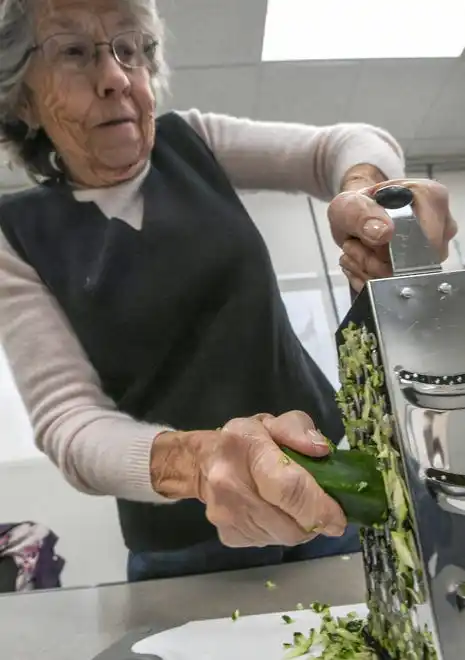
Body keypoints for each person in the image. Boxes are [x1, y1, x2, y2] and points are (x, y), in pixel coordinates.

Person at [0, 0, 457, 582]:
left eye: (131, 49)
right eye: (73, 51)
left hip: (332, 487)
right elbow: (70, 421)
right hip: (185, 544)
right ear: (22, 99)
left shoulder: (191, 143)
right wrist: (201, 460)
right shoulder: (16, 237)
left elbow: (348, 143)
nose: (117, 77)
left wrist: (365, 193)